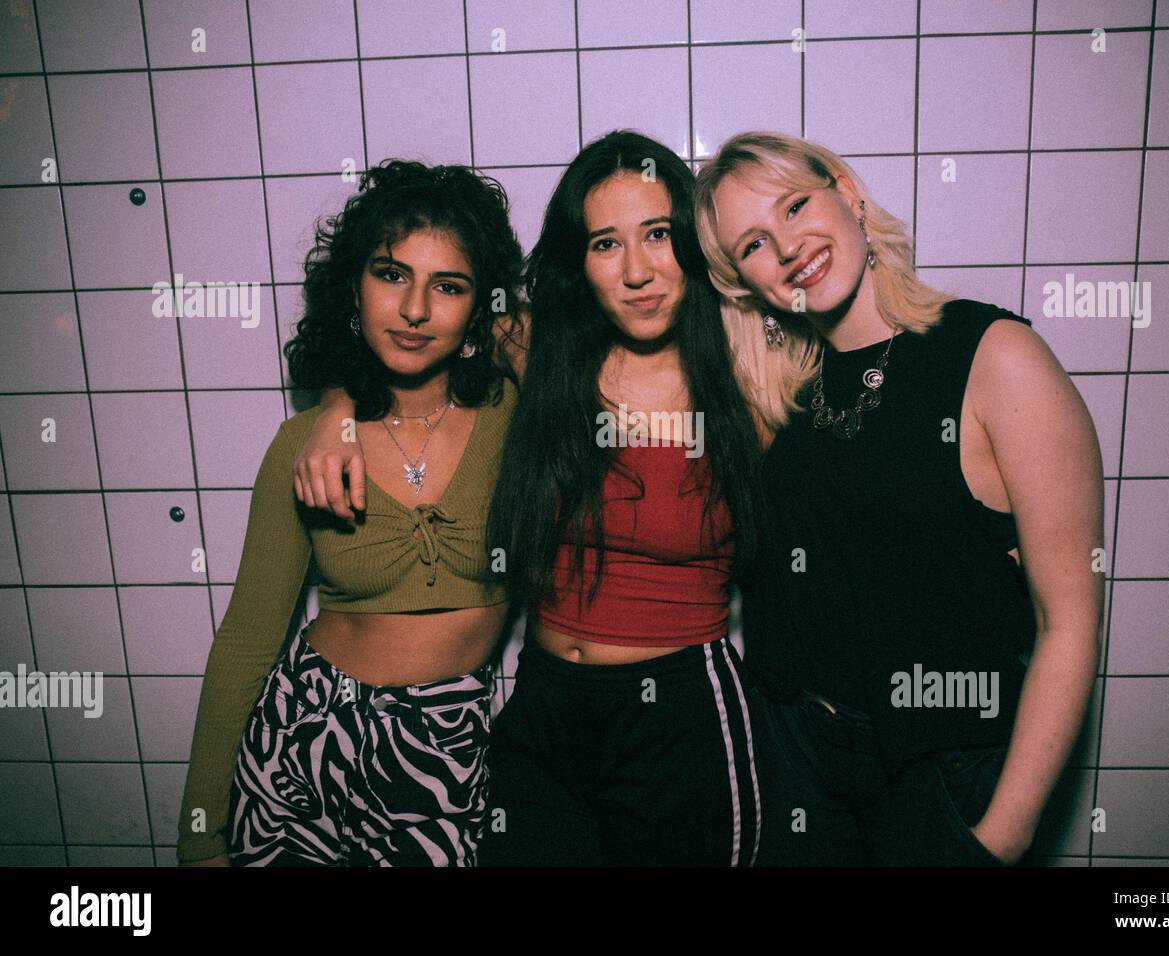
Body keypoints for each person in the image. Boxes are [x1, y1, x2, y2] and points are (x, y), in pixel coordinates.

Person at [294, 131, 765, 866]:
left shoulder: (749, 373)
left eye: (659, 236)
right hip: (543, 708)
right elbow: (414, 333)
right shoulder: (538, 351)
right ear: (578, 259)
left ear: (695, 244)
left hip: (679, 717)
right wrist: (333, 409)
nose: (637, 271)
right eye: (606, 243)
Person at [693, 131, 1104, 866]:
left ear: (846, 193)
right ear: (741, 283)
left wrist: (999, 838)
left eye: (795, 206)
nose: (787, 246)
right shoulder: (776, 398)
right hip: (798, 773)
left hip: (941, 768)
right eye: (754, 244)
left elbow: (1066, 621)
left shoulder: (994, 357)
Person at [177, 160, 524, 866]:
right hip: (301, 738)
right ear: (353, 287)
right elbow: (246, 641)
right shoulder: (303, 447)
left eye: (448, 286)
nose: (415, 309)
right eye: (391, 275)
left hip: (444, 752)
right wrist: (198, 832)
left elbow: (581, 323)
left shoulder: (517, 410)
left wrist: (336, 395)